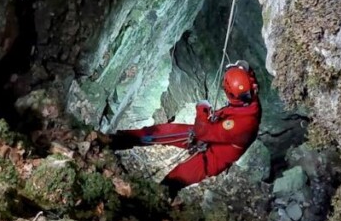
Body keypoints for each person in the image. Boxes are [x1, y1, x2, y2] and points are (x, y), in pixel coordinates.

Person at [110, 61, 261, 196]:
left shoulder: (242, 124)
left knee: (175, 179)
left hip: (212, 157)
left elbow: (203, 132)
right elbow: (245, 73)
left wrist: (202, 109)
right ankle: (118, 139)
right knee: (162, 132)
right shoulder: (249, 101)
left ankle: (157, 203)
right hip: (213, 134)